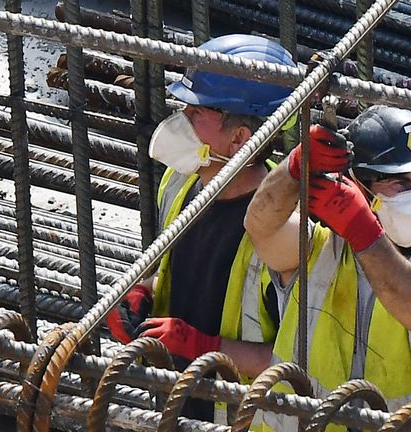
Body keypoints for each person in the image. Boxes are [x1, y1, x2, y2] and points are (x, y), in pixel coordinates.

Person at [244, 105, 411, 427]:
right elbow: (261, 225)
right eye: (399, 182)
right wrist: (293, 170)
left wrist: (363, 231)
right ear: (356, 184)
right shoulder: (316, 251)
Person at [106, 34, 297, 423]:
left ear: (239, 139)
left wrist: (203, 346)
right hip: (180, 408)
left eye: (196, 113)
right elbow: (184, 271)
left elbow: (296, 359)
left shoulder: (285, 228)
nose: (181, 121)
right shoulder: (181, 184)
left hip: (246, 418)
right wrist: (142, 292)